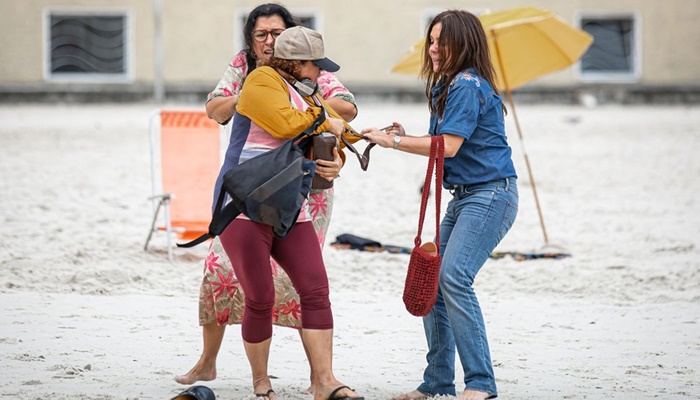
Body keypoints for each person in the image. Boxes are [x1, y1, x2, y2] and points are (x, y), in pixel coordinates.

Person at [176, 4, 358, 395]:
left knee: (311, 288)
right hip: (249, 195)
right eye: (262, 35)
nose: (270, 41)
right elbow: (284, 121)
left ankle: (323, 381)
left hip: (294, 194)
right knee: (244, 287)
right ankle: (247, 377)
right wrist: (324, 118)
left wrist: (349, 147)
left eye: (277, 34)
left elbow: (337, 120)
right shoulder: (254, 77)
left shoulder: (308, 82)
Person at [361, 10, 519, 400]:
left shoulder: (466, 84)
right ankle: (436, 383)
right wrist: (405, 135)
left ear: (463, 44)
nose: (433, 49)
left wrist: (392, 143)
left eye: (441, 41)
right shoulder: (446, 87)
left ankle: (480, 383)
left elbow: (447, 147)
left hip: (491, 195)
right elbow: (441, 145)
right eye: (430, 41)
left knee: (452, 278)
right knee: (432, 280)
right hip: (467, 197)